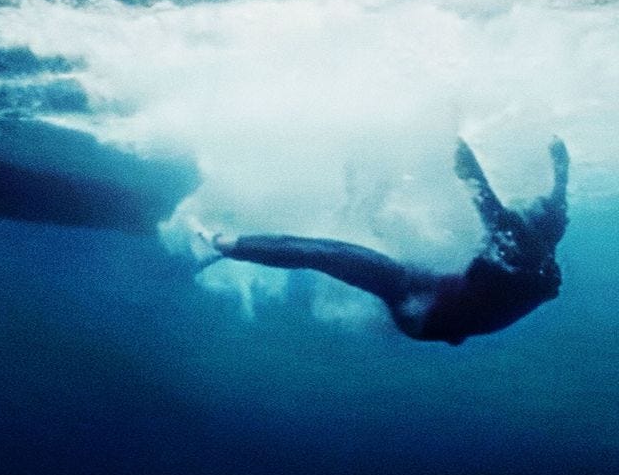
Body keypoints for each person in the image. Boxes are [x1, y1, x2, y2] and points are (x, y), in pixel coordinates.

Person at [200, 138, 569, 345]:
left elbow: (479, 189)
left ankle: (225, 244)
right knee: (430, 248)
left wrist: (443, 132)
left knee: (329, 255)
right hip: (467, 308)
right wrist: (560, 162)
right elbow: (554, 192)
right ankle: (235, 246)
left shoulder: (512, 241)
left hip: (424, 316)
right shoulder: (547, 228)